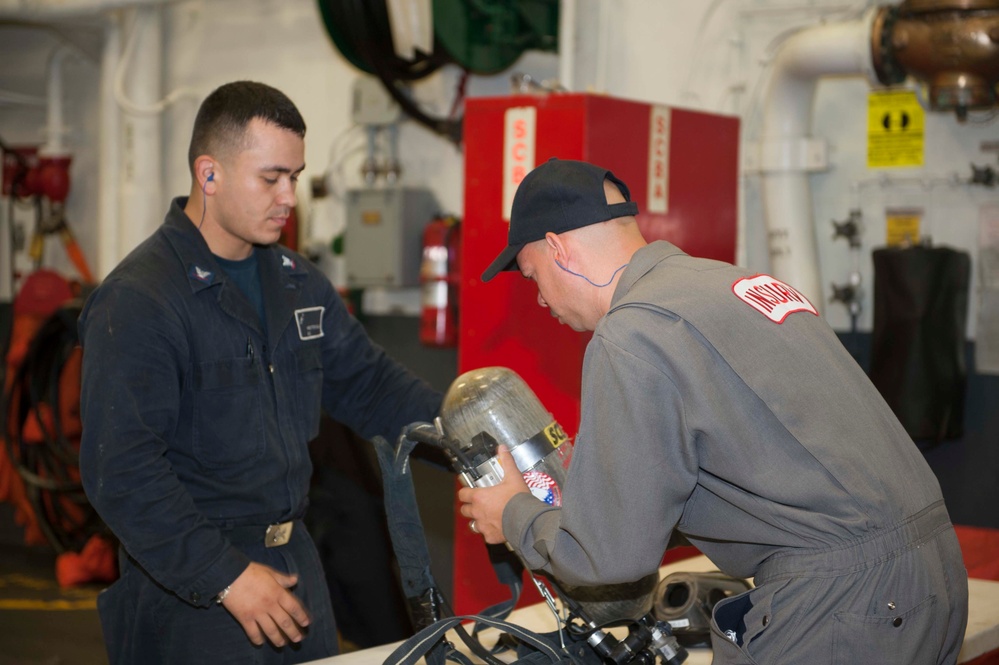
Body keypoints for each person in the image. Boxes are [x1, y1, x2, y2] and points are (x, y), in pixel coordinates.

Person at [458, 157, 969, 664]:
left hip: (846, 604)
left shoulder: (631, 333)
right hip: (934, 571)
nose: (542, 300)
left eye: (532, 276)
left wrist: (513, 513)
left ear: (558, 248)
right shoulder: (735, 286)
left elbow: (608, 555)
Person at [77, 80, 442, 664]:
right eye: (270, 178)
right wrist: (225, 577)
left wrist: (478, 446)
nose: (288, 197)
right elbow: (120, 470)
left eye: (295, 177)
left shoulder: (297, 283)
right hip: (193, 591)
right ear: (209, 174)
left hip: (295, 566)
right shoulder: (142, 300)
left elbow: (374, 387)